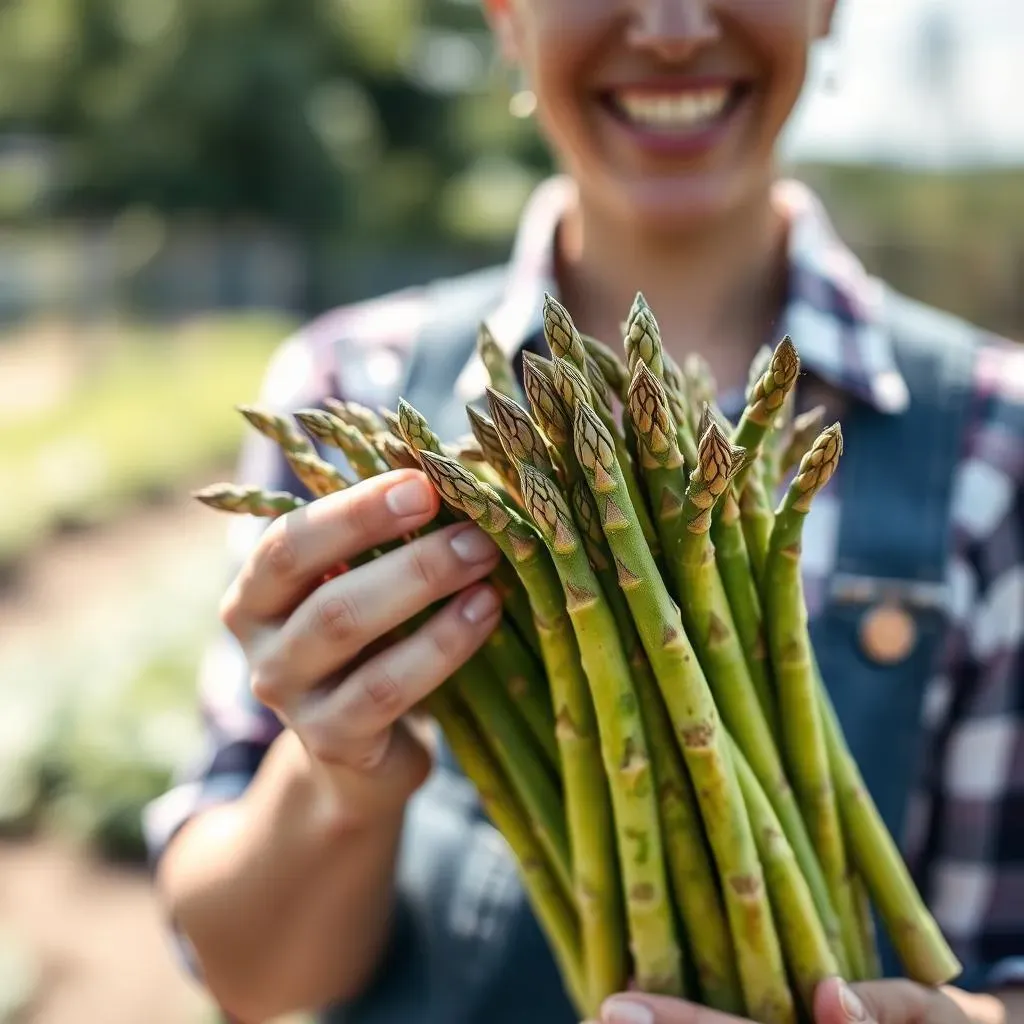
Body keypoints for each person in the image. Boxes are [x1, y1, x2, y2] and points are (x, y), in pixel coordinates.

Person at [144, 2, 1023, 1023]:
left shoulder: (997, 446)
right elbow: (250, 979)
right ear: (504, 15)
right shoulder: (347, 396)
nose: (671, 25)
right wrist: (339, 778)